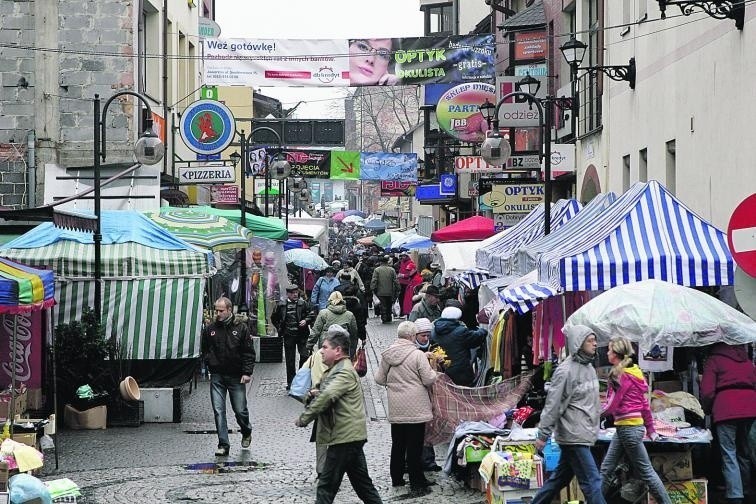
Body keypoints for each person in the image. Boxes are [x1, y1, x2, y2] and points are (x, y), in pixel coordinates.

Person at [295, 330, 384, 504]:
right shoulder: (336, 370)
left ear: (338, 351)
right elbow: (323, 392)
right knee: (364, 487)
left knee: (326, 487)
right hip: (350, 436)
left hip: (344, 437)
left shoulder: (343, 371)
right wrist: (312, 395)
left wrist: (305, 418)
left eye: (325, 347)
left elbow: (327, 396)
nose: (321, 351)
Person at [531, 325, 605, 504]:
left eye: (595, 340)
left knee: (559, 479)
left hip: (583, 433)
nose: (595, 344)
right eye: (590, 340)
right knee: (592, 481)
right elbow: (553, 405)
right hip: (574, 435)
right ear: (578, 343)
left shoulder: (589, 368)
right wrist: (543, 435)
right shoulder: (565, 371)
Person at [599, 336, 670, 504]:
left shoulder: (620, 375)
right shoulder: (637, 373)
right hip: (631, 428)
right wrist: (650, 429)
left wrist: (594, 415)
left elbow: (613, 405)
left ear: (615, 354)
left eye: (609, 350)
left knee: (646, 472)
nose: (607, 353)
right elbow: (645, 405)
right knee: (606, 469)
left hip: (627, 429)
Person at [374, 321, 438, 496]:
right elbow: (428, 379)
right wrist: (433, 370)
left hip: (396, 406)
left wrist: (394, 385)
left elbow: (379, 379)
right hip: (416, 406)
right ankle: (417, 481)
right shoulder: (418, 355)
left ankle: (396, 477)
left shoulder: (388, 354)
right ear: (412, 336)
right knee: (415, 445)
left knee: (398, 443)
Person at [701, 343, 756, 504]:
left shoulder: (714, 360)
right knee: (744, 451)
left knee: (729, 452)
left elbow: (707, 391)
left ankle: (735, 494)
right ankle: (745, 489)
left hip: (726, 409)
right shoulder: (747, 361)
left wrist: (707, 409)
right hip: (750, 409)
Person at [200, 297, 255, 457]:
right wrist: (210, 362)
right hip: (217, 375)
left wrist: (247, 373)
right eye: (216, 310)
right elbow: (205, 349)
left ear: (229, 310)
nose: (218, 313)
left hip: (236, 376)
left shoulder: (241, 328)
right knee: (218, 410)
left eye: (221, 311)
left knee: (240, 410)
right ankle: (223, 444)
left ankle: (246, 430)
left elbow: (248, 352)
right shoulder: (211, 329)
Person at [432, 305, 487, 387]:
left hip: (443, 369)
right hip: (461, 372)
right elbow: (475, 339)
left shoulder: (434, 331)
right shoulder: (460, 331)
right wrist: (483, 330)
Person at [271, 286, 314, 390]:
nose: (295, 295)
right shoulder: (281, 305)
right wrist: (279, 328)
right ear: (288, 294)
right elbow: (274, 318)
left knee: (304, 355)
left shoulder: (303, 303)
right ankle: (291, 382)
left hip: (302, 335)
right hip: (288, 335)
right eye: (293, 293)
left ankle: (300, 379)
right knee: (290, 360)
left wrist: (306, 320)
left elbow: (312, 314)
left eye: (296, 292)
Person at [307, 291, 359, 357]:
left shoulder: (323, 313)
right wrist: (352, 350)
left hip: (326, 346)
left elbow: (315, 331)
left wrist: (309, 345)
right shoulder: (349, 315)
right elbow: (354, 334)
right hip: (342, 347)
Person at [334, 272, 368, 353]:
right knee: (351, 350)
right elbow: (361, 319)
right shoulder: (356, 292)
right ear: (350, 279)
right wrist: (363, 336)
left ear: (341, 279)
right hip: (353, 329)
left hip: (339, 328)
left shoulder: (336, 291)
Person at [371, 255, 400, 324]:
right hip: (390, 291)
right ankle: (389, 317)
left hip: (380, 291)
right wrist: (398, 288)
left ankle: (384, 318)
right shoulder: (392, 270)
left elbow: (374, 280)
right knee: (389, 305)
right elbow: (395, 280)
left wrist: (372, 288)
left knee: (383, 305)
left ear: (380, 262)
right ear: (387, 262)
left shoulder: (377, 270)